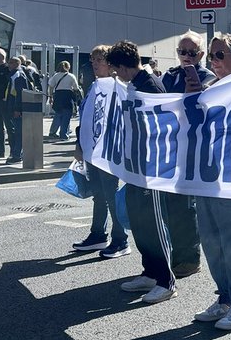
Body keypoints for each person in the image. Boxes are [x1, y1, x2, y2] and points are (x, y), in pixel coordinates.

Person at [192, 34, 231, 332]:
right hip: (208, 175)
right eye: (212, 56)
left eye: (220, 55)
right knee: (211, 240)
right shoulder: (208, 90)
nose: (214, 61)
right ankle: (225, 297)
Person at [106, 40, 176, 298]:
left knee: (155, 223)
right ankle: (150, 272)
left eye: (116, 68)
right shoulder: (135, 85)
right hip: (136, 165)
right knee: (140, 221)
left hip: (153, 167)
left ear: (123, 67)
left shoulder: (151, 85)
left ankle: (166, 281)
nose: (116, 74)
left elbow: (164, 124)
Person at [159, 32, 216, 277]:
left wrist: (198, 91)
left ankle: (189, 258)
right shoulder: (169, 76)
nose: (186, 56)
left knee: (186, 207)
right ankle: (173, 253)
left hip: (194, 150)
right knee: (170, 205)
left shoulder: (210, 78)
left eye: (192, 52)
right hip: (170, 149)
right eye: (182, 51)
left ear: (201, 55)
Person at [72, 45, 129, 258]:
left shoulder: (116, 87)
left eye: (100, 60)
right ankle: (98, 234)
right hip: (92, 150)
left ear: (110, 64)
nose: (95, 64)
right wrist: (79, 144)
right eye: (93, 60)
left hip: (107, 151)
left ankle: (120, 239)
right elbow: (86, 119)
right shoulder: (94, 86)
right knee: (99, 194)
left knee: (110, 194)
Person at [47, 60, 80, 141]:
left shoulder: (55, 75)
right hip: (67, 96)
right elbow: (76, 88)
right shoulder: (71, 76)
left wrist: (50, 96)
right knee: (66, 115)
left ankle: (53, 132)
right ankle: (64, 134)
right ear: (68, 67)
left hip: (58, 96)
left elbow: (51, 86)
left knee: (58, 114)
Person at [4, 55, 28, 164]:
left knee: (18, 132)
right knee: (17, 131)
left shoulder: (17, 75)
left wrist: (17, 109)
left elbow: (19, 93)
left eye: (10, 63)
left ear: (16, 64)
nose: (8, 65)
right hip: (14, 106)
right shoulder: (16, 74)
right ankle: (18, 153)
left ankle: (17, 154)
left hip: (16, 108)